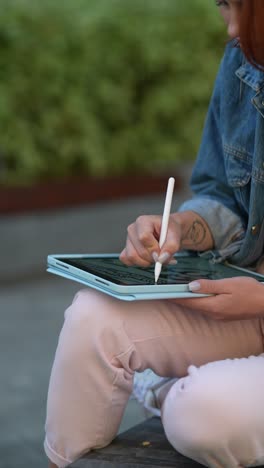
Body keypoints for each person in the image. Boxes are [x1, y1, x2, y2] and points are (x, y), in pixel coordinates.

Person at [45, 1, 264, 467]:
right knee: (92, 319)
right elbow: (223, 195)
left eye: (236, 7)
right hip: (249, 310)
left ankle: (173, 385)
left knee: (202, 412)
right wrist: (182, 227)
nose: (228, 29)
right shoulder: (246, 60)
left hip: (256, 306)